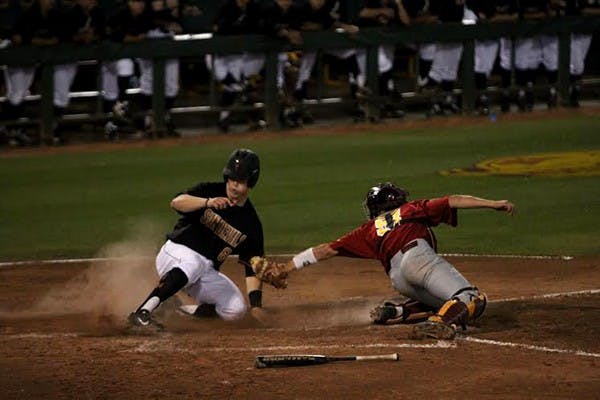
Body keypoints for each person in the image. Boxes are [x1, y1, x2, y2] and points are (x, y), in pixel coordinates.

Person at [265, 182, 515, 339]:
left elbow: (325, 250)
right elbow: (453, 200)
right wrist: (493, 204)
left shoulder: (368, 229)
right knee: (471, 299)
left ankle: (397, 310)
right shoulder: (410, 209)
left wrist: (286, 267)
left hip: (399, 279)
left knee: (445, 301)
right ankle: (439, 323)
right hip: (419, 259)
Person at [128, 148, 266, 330]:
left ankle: (177, 309)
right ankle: (143, 312)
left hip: (204, 271)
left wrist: (256, 306)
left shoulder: (251, 223)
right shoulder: (209, 190)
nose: (233, 186)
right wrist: (206, 202)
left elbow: (252, 266)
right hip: (175, 254)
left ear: (250, 184)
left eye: (240, 182)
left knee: (235, 309)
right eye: (231, 179)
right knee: (193, 262)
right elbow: (177, 202)